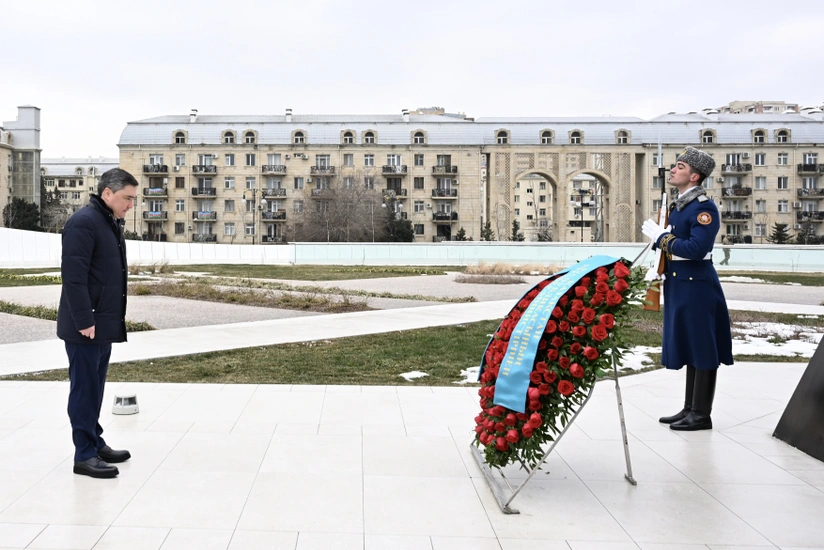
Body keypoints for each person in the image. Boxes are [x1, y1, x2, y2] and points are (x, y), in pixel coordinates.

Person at [642, 147, 733, 431]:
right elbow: (675, 245)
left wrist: (662, 238)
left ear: (695, 176)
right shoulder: (679, 205)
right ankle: (690, 408)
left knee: (703, 347)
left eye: (680, 167)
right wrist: (659, 263)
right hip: (680, 283)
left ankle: (702, 414)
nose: (673, 170)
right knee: (692, 345)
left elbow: (696, 249)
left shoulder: (703, 207)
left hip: (697, 285)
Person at [57, 168, 137, 478]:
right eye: (127, 198)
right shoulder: (83, 222)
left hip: (101, 323)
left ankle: (95, 441)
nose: (131, 204)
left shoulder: (108, 222)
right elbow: (73, 277)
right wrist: (84, 319)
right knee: (84, 390)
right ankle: (84, 455)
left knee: (95, 388)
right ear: (107, 193)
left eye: (133, 199)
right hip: (86, 326)